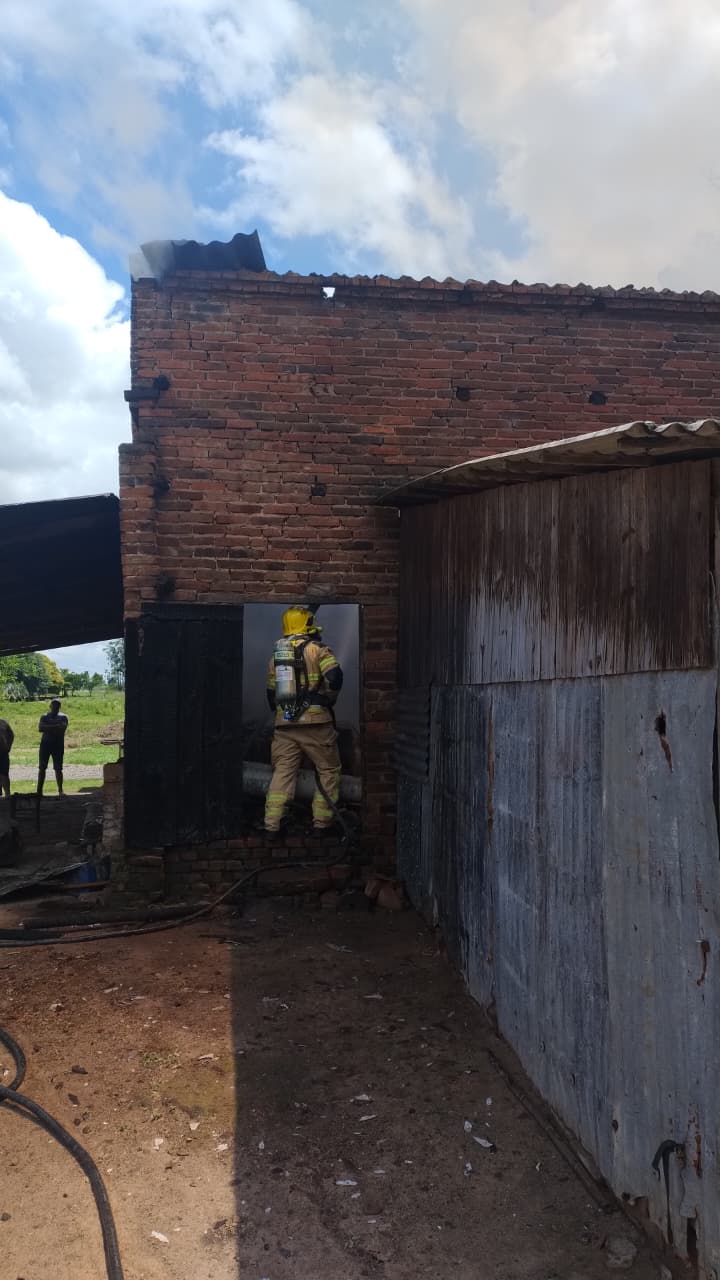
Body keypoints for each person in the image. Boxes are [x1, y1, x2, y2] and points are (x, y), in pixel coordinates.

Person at [264, 606, 343, 835]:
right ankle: (322, 825)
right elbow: (335, 677)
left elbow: (271, 694)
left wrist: (282, 716)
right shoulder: (319, 650)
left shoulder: (276, 657)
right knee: (328, 770)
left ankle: (272, 826)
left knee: (282, 773)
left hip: (284, 724)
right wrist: (328, 698)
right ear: (308, 624)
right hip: (317, 723)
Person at [37, 699, 68, 796]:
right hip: (45, 745)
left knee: (58, 768)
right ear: (50, 706)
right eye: (53, 706)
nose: (55, 708)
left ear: (59, 707)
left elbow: (62, 728)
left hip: (57, 745)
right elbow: (40, 728)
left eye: (57, 706)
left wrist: (48, 727)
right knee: (42, 768)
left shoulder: (63, 717)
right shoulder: (44, 716)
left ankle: (60, 790)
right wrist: (55, 726)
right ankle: (39, 791)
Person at [0, 716, 14, 801]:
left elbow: (11, 735)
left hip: (3, 752)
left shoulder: (3, 723)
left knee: (4, 774)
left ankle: (7, 794)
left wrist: (9, 746)